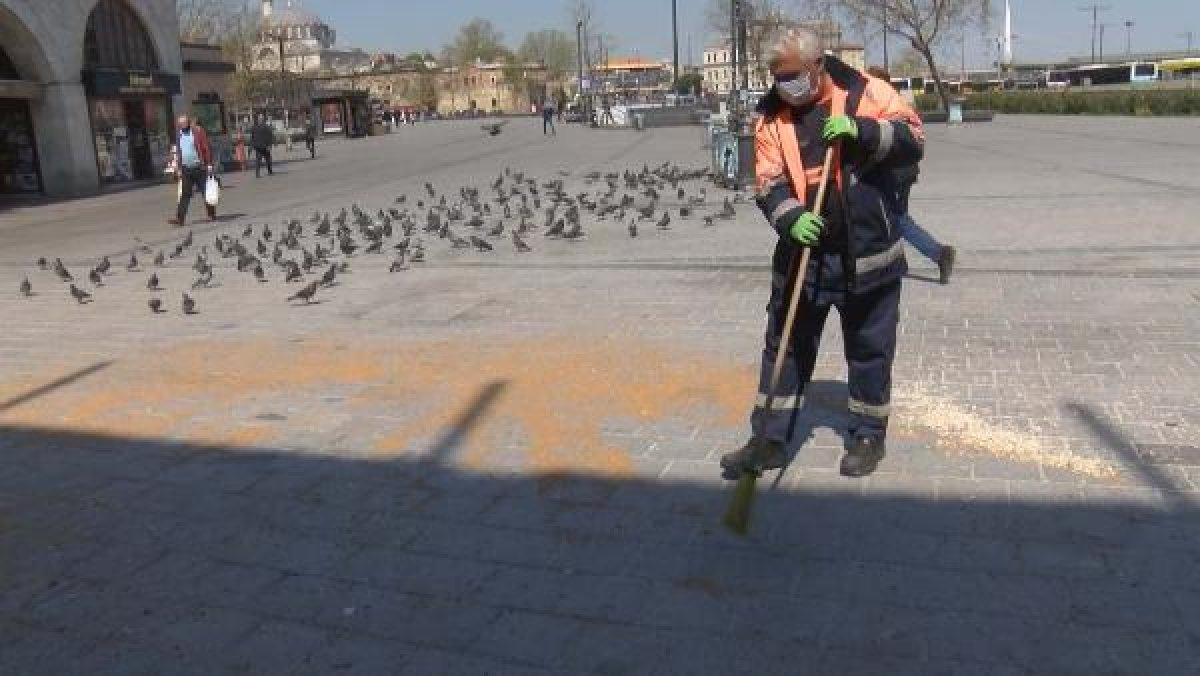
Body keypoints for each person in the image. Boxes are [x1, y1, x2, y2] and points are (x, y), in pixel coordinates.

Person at [719, 27, 925, 478]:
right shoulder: (771, 116)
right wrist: (791, 218)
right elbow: (768, 182)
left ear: (817, 66)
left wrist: (862, 130)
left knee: (870, 348)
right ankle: (769, 439)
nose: (783, 86)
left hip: (867, 253)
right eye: (776, 77)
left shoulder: (868, 93)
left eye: (791, 76)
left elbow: (913, 139)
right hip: (804, 255)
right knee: (785, 347)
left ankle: (868, 435)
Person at [865, 66, 956, 283]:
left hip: (894, 171)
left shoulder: (881, 105)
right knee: (893, 216)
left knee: (896, 218)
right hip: (905, 170)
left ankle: (939, 253)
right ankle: (895, 260)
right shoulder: (898, 102)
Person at [167, 114, 215, 226]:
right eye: (180, 124)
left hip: (199, 167)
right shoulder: (179, 135)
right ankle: (180, 219)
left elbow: (206, 147)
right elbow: (179, 152)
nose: (182, 125)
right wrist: (178, 167)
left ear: (188, 123)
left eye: (184, 123)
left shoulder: (198, 132)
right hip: (186, 169)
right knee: (185, 194)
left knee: (206, 192)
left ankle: (211, 214)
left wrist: (209, 164)